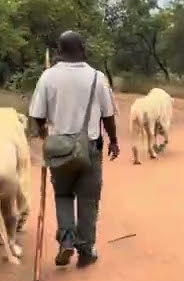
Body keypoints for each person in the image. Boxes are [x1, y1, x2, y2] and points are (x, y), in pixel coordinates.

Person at [27, 30, 120, 268]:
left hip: (58, 148)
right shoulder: (97, 77)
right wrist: (114, 140)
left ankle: (67, 239)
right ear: (83, 49)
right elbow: (108, 114)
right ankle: (86, 250)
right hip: (89, 146)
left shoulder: (48, 77)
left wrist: (44, 134)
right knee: (88, 200)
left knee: (63, 195)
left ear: (59, 51)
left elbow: (36, 115)